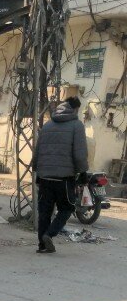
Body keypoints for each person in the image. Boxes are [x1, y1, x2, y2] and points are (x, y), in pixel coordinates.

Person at [33, 95, 89, 253]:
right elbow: (79, 153)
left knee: (44, 211)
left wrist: (37, 171)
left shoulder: (48, 125)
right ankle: (49, 234)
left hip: (44, 177)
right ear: (76, 109)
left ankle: (42, 245)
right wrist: (83, 172)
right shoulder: (77, 126)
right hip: (64, 178)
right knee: (67, 208)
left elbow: (38, 151)